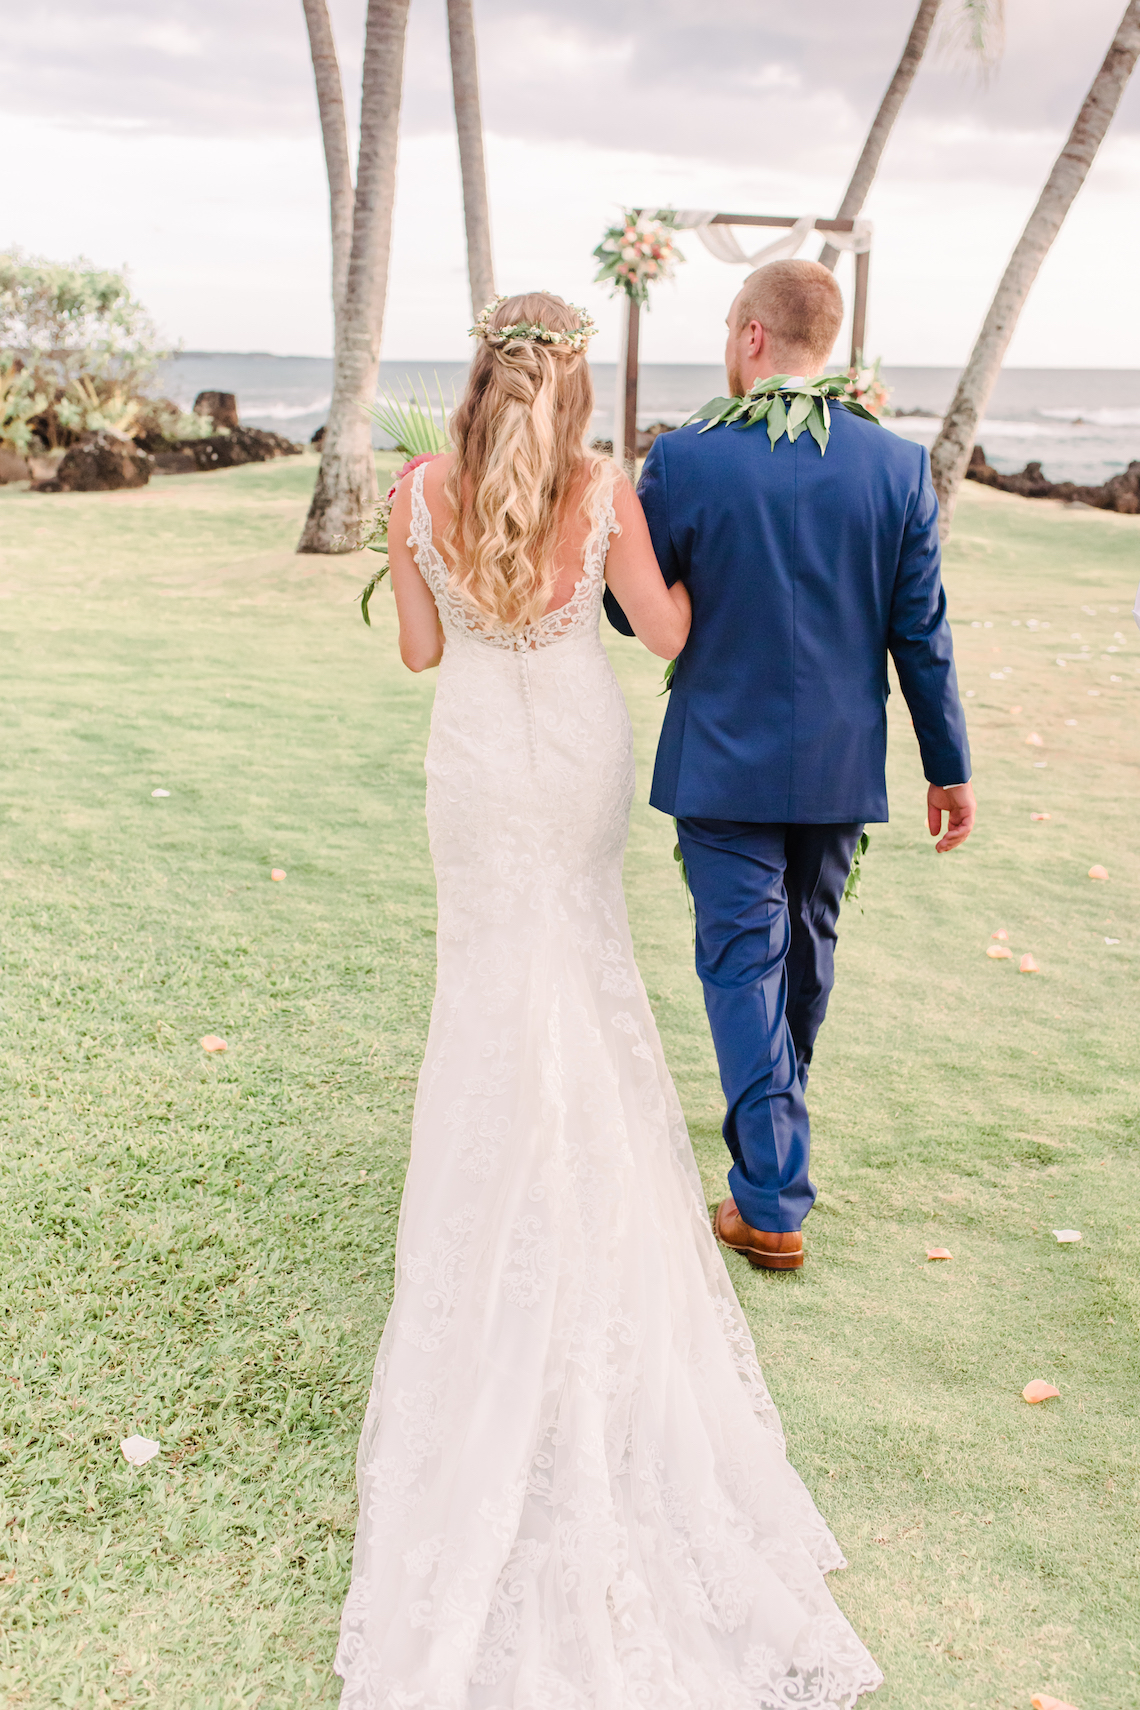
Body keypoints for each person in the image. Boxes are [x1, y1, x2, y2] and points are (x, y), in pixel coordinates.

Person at [334, 292, 882, 1708]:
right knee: (580, 971)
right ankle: (580, 1191)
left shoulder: (418, 486)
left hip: (475, 758)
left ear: (477, 379)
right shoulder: (602, 488)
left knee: (489, 983)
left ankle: (497, 1188)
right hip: (573, 748)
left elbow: (419, 653)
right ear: (571, 388)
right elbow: (667, 628)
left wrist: (455, 583)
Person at [605, 259, 975, 1274]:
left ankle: (771, 1195)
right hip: (839, 766)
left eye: (730, 328)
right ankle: (774, 1149)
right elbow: (921, 634)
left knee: (745, 963)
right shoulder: (896, 467)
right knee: (803, 952)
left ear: (754, 336)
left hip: (723, 761)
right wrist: (948, 765)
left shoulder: (686, 459)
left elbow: (631, 611)